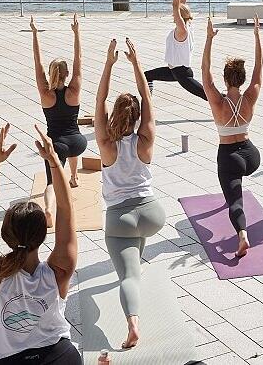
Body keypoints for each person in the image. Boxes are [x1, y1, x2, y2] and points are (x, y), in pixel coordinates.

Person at [0, 124, 80, 365]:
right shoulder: (58, 273)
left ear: (5, 235)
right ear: (43, 234)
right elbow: (66, 209)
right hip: (61, 357)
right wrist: (53, 160)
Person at [96, 38, 166, 349]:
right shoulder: (146, 137)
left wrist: (109, 65)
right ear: (136, 117)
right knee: (133, 256)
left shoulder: (106, 144)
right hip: (152, 213)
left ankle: (133, 325)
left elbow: (99, 101)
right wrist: (136, 63)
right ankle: (133, 263)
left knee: (129, 279)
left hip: (120, 217)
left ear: (114, 116)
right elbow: (146, 95)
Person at [201, 15, 262, 258]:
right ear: (242, 79)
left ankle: (243, 235)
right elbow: (260, 67)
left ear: (226, 80)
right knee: (237, 184)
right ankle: (242, 235)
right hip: (252, 156)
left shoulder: (217, 101)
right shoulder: (250, 96)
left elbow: (204, 71)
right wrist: (257, 36)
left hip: (229, 157)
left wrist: (208, 39)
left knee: (235, 202)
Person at [30, 14, 88, 228]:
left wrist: (35, 34)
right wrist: (76, 33)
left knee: (52, 182)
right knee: (72, 150)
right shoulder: (74, 90)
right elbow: (79, 59)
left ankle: (47, 209)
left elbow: (38, 64)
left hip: (56, 145)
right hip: (78, 143)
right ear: (67, 74)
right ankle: (74, 177)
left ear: (52, 74)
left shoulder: (46, 93)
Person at [144, 0, 207, 101]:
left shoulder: (182, 30)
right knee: (147, 75)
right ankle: (147, 102)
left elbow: (175, 5)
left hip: (182, 74)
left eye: (175, 13)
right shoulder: (187, 24)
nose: (173, 14)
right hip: (174, 71)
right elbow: (182, 4)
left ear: (179, 15)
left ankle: (231, 105)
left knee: (208, 96)